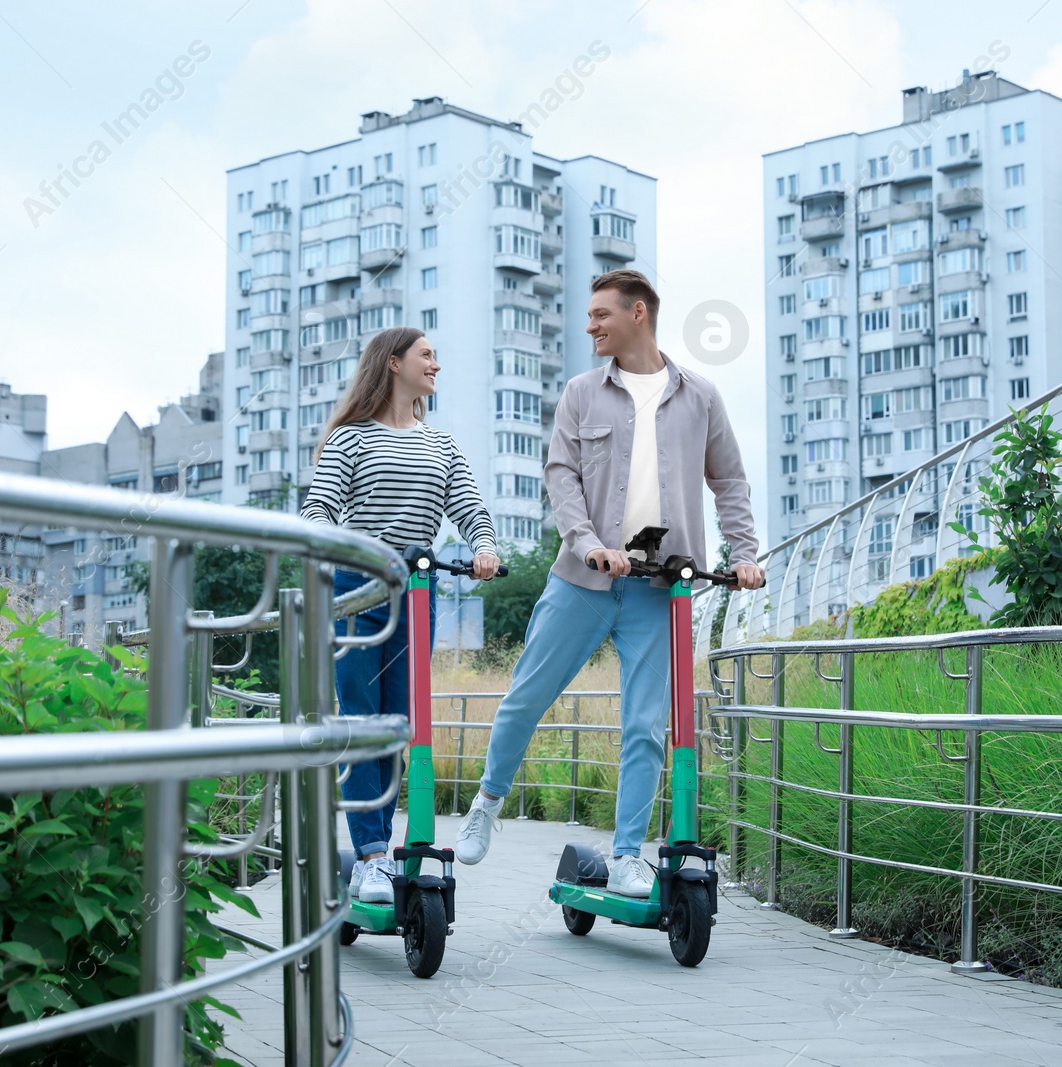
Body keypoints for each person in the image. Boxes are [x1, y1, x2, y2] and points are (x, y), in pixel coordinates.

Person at [455, 269, 763, 896]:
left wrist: (747, 554)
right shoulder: (581, 392)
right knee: (524, 699)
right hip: (581, 581)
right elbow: (560, 475)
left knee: (646, 726)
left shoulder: (699, 395)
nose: (590, 325)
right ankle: (486, 803)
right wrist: (589, 544)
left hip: (660, 588)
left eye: (600, 315)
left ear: (639, 314)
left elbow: (728, 481)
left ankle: (626, 856)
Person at [300, 326, 501, 904]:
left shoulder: (442, 445)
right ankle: (368, 857)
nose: (436, 364)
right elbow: (321, 507)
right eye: (427, 355)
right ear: (393, 364)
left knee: (400, 725)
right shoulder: (351, 439)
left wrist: (483, 548)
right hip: (357, 589)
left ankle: (382, 847)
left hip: (417, 590)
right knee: (364, 721)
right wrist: (327, 543)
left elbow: (467, 506)